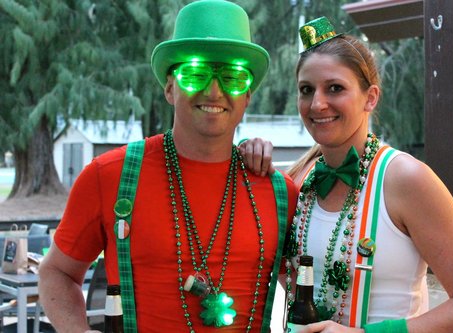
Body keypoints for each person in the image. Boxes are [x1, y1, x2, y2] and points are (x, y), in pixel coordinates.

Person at [38, 1, 298, 332]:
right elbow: (56, 272)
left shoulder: (279, 192)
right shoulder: (109, 176)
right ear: (169, 88)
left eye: (232, 77)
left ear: (247, 96)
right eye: (194, 73)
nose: (214, 90)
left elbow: (312, 286)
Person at [240, 16, 453, 333]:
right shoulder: (299, 178)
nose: (317, 103)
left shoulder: (406, 178)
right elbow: (274, 270)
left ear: (370, 97)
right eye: (306, 90)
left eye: (335, 88)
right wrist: (248, 161)